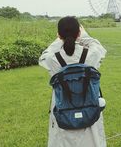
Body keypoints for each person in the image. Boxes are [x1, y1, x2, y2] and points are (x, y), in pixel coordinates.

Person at [39, 16, 107, 147]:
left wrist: (59, 40)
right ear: (79, 34)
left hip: (63, 115)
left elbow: (45, 54)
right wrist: (84, 35)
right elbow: (99, 47)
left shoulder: (53, 59)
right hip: (90, 113)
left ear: (59, 35)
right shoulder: (91, 54)